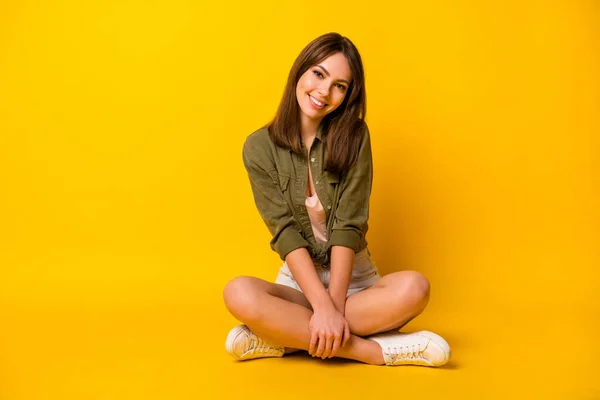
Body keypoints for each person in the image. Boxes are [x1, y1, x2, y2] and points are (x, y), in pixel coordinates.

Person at [222, 32, 451, 367]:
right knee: (238, 292)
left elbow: (349, 225)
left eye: (340, 85)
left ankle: (282, 337)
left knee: (415, 288)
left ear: (348, 95)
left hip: (355, 283)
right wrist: (321, 307)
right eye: (318, 74)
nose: (324, 93)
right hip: (299, 287)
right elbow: (284, 233)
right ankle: (376, 352)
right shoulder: (258, 147)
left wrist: (334, 307)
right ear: (299, 71)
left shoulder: (355, 136)